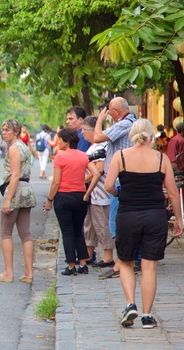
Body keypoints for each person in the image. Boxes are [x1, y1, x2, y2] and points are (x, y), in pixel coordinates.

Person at [103, 118, 182, 329]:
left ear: (132, 135)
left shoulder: (120, 157)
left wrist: (119, 192)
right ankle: (147, 315)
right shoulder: (161, 159)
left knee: (126, 262)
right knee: (149, 267)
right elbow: (173, 192)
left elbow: (108, 185)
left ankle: (130, 304)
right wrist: (179, 219)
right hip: (155, 216)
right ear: (151, 136)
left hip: (128, 214)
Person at [84, 97, 137, 280]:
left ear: (115, 111)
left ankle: (121, 262)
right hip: (125, 178)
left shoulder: (124, 124)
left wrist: (99, 120)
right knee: (123, 220)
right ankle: (127, 260)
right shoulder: (130, 123)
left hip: (120, 179)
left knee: (116, 221)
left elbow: (98, 136)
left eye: (110, 111)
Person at [43, 128, 90, 276]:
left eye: (61, 140)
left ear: (67, 142)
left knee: (67, 232)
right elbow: (95, 173)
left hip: (63, 197)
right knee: (78, 231)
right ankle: (83, 263)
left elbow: (56, 182)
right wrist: (86, 189)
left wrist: (49, 200)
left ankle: (71, 266)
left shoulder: (60, 157)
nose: (58, 143)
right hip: (80, 196)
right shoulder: (83, 156)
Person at [0, 119, 34, 283]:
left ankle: (8, 272)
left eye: (7, 130)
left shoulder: (13, 148)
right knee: (25, 233)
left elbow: (15, 174)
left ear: (15, 132)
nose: (4, 132)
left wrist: (7, 199)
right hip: (26, 188)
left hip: (16, 188)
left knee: (5, 232)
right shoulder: (24, 147)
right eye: (3, 129)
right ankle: (28, 273)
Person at [81, 116, 115, 270]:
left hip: (99, 193)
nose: (82, 133)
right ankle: (88, 253)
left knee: (101, 224)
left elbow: (99, 169)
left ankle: (108, 256)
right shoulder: (94, 146)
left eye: (84, 130)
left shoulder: (101, 146)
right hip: (92, 193)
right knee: (91, 225)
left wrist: (82, 180)